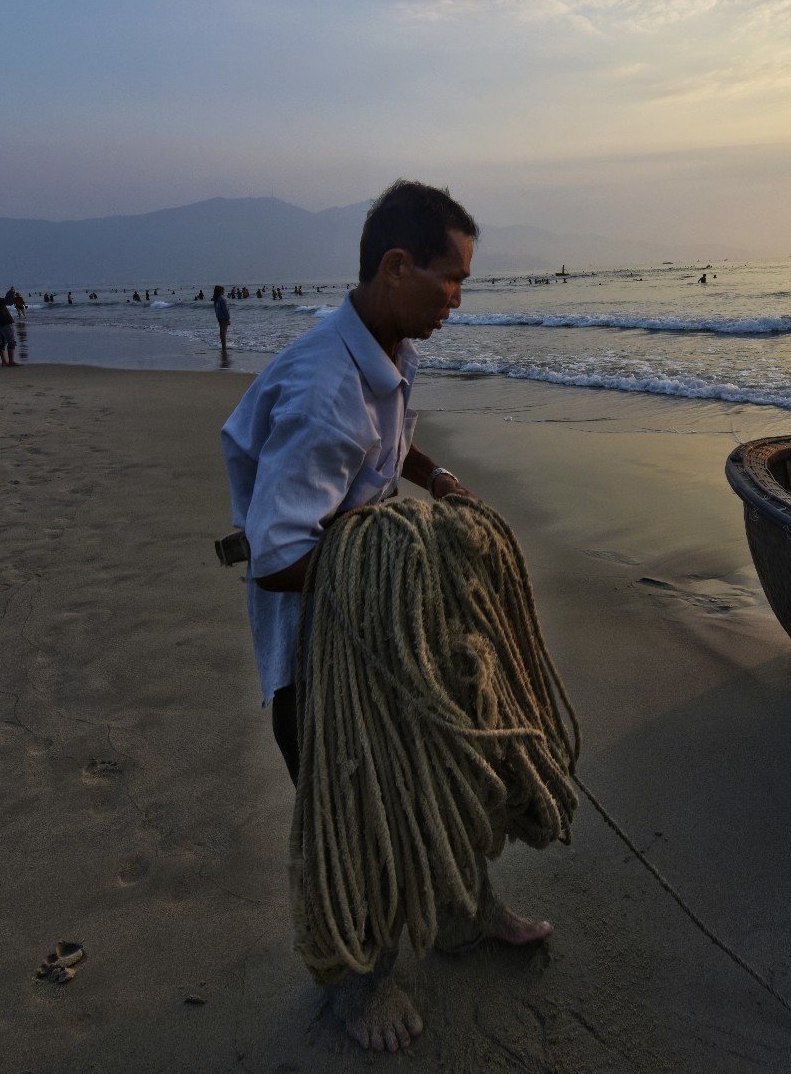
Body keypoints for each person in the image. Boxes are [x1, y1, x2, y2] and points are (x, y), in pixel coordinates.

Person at [220, 180, 549, 1053]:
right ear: (397, 266)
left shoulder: (391, 347)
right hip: (318, 652)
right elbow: (277, 554)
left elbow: (388, 447)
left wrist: (433, 479)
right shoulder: (325, 390)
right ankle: (358, 985)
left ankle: (462, 913)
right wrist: (408, 552)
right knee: (358, 810)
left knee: (445, 761)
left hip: (378, 631)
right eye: (452, 279)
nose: (458, 299)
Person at [212, 284, 231, 350]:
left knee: (221, 332)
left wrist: (217, 317)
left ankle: (223, 345)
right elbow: (225, 310)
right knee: (224, 332)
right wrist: (228, 318)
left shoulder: (216, 299)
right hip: (224, 318)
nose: (224, 292)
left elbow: (216, 310)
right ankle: (224, 346)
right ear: (220, 291)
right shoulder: (222, 299)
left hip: (219, 317)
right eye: (223, 290)